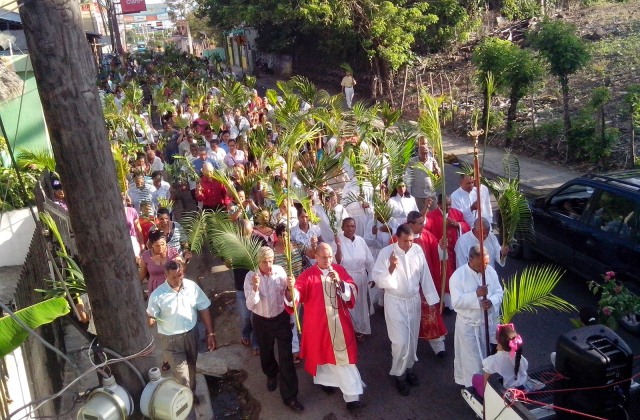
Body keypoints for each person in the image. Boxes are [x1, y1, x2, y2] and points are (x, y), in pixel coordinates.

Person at [294, 243, 365, 411]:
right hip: (318, 325)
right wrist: (292, 291)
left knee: (344, 360)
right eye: (324, 257)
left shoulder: (339, 270)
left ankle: (352, 396)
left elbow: (352, 289)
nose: (328, 261)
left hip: (339, 323)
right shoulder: (307, 275)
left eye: (330, 257)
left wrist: (341, 284)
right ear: (316, 257)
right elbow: (297, 292)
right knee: (323, 357)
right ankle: (327, 382)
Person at [372, 224, 440, 396]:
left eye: (411, 240)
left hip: (413, 301)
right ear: (396, 238)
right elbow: (378, 279)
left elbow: (425, 274)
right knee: (400, 341)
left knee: (411, 339)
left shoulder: (417, 250)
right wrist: (391, 267)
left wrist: (431, 299)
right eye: (405, 241)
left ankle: (408, 368)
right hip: (395, 302)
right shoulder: (386, 253)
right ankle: (399, 375)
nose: (409, 244)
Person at [147, 261, 216, 405]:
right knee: (181, 375)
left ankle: (191, 392)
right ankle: (186, 401)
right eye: (174, 277)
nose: (178, 279)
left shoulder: (192, 287)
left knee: (191, 367)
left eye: (180, 275)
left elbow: (204, 308)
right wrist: (151, 320)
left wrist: (210, 334)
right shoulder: (157, 295)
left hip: (191, 334)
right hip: (171, 340)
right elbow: (151, 317)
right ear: (165, 276)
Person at [244, 247, 304, 412]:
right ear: (258, 262)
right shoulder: (251, 276)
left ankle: (290, 396)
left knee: (286, 358)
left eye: (271, 260)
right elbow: (250, 304)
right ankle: (271, 373)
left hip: (281, 319)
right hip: (261, 321)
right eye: (265, 261)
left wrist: (292, 290)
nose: (268, 265)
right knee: (266, 352)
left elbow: (290, 298)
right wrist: (255, 288)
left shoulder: (280, 272)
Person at [450, 244, 504, 387]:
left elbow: (499, 292)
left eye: (486, 263)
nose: (484, 267)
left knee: (487, 360)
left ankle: (487, 387)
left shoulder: (490, 271)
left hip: (486, 325)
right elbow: (456, 302)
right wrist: (476, 296)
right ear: (471, 259)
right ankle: (473, 389)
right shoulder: (458, 276)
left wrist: (491, 302)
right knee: (473, 362)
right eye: (480, 264)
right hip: (469, 326)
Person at [404, 211, 447, 357]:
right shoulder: (399, 238)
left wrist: (441, 247)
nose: (424, 225)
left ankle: (438, 346)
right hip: (407, 287)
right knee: (408, 318)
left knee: (431, 316)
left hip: (425, 284)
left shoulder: (427, 236)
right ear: (410, 225)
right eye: (420, 223)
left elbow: (438, 255)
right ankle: (407, 348)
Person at [426, 194, 470, 312]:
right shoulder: (431, 216)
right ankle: (444, 303)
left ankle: (456, 301)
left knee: (456, 275)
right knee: (443, 277)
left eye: (450, 204)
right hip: (441, 252)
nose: (449, 207)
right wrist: (438, 245)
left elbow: (466, 226)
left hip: (455, 251)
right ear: (439, 204)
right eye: (446, 205)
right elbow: (427, 233)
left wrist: (457, 225)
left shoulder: (457, 213)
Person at [335, 218, 375, 340]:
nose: (350, 229)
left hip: (361, 277)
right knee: (348, 305)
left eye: (353, 226)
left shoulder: (361, 241)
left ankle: (361, 329)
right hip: (346, 278)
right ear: (342, 228)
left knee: (361, 305)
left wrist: (371, 277)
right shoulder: (338, 241)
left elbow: (369, 260)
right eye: (347, 226)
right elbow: (336, 261)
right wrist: (338, 247)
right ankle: (348, 331)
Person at [472, 323, 527, 398]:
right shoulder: (520, 358)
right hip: (520, 390)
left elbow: (486, 384)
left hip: (502, 394)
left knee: (475, 377)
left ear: (499, 343)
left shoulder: (491, 361)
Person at [139, 230, 182, 295]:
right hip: (155, 289)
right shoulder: (146, 256)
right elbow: (142, 274)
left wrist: (185, 261)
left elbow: (180, 271)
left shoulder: (173, 253)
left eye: (163, 244)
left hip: (171, 287)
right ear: (152, 244)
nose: (160, 248)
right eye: (157, 245)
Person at [406, 142, 440, 212]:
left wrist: (437, 170)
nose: (425, 155)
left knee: (434, 213)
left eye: (426, 153)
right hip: (417, 195)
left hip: (430, 194)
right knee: (420, 216)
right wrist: (408, 191)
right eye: (423, 153)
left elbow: (438, 175)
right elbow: (408, 177)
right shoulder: (412, 161)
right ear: (418, 153)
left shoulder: (432, 160)